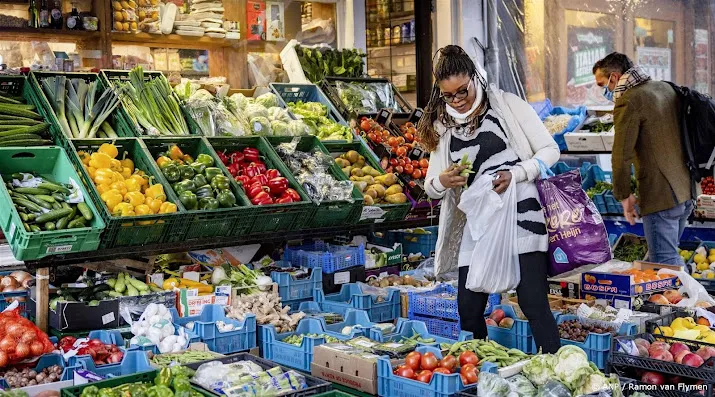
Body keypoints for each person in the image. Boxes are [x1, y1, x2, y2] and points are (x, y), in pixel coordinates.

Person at [417, 45, 561, 353]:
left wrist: (517, 173)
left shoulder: (507, 106)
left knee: (532, 301)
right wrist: (443, 181)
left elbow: (550, 151)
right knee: (468, 307)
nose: (457, 100)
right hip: (479, 226)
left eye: (462, 91)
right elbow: (430, 185)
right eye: (448, 95)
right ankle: (479, 366)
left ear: (474, 78)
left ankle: (554, 367)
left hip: (524, 217)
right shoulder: (444, 126)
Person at [592, 52, 693, 265]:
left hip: (660, 195)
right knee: (671, 258)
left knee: (664, 265)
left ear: (615, 76)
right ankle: (694, 297)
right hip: (686, 189)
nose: (604, 91)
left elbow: (621, 154)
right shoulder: (665, 88)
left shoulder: (630, 100)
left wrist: (623, 195)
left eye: (603, 84)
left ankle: (695, 298)